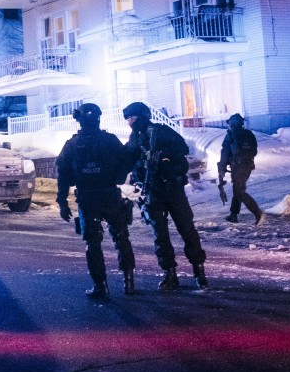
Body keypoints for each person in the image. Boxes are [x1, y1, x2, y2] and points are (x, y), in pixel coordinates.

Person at [122, 101, 208, 290]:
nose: (130, 121)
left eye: (133, 117)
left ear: (142, 116)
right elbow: (127, 159)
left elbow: (183, 148)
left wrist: (164, 155)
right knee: (160, 235)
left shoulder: (161, 131)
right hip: (151, 192)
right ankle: (169, 273)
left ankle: (199, 270)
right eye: (128, 118)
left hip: (172, 189)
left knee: (187, 230)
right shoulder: (134, 137)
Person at [56, 103, 136, 299]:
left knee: (93, 242)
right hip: (109, 194)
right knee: (121, 237)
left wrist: (63, 202)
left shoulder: (72, 144)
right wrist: (118, 175)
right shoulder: (109, 140)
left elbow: (63, 174)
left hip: (87, 197)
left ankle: (101, 286)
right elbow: (127, 159)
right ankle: (128, 282)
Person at [218, 113, 266, 226]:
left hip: (238, 167)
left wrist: (222, 167)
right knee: (237, 190)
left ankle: (257, 212)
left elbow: (225, 153)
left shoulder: (231, 135)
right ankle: (233, 215)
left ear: (232, 123)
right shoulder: (249, 134)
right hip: (248, 166)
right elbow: (254, 151)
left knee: (239, 192)